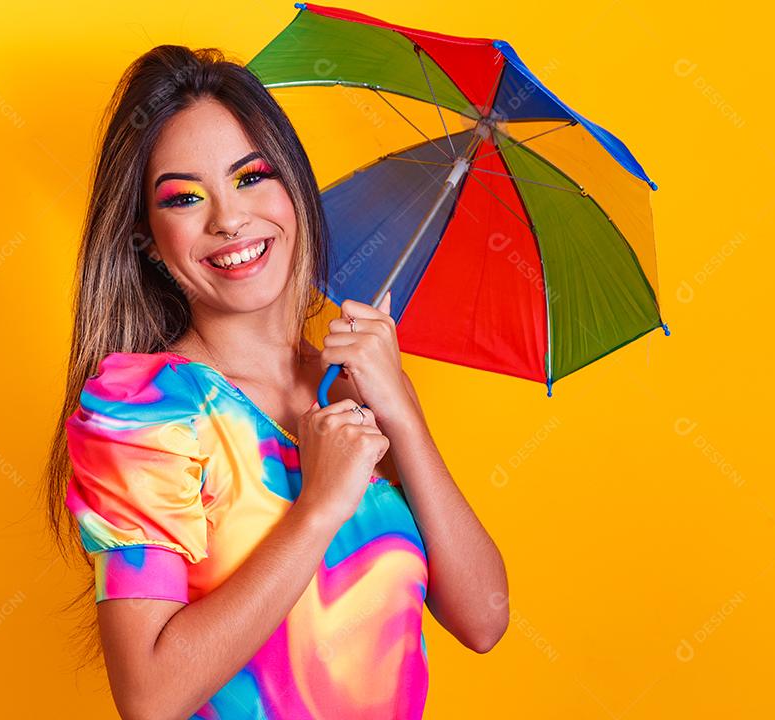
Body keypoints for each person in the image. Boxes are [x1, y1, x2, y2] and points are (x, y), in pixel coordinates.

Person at [43, 44, 508, 720]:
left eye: (252, 177)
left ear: (295, 187)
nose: (228, 219)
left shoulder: (356, 390)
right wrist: (318, 507)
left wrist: (402, 412)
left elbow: (483, 620)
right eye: (185, 197)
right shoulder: (143, 409)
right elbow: (150, 697)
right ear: (147, 236)